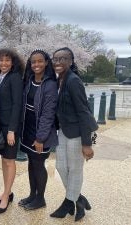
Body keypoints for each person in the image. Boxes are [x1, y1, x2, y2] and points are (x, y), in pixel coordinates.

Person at [50, 47, 98, 222]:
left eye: (63, 59)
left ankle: (68, 203)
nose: (58, 62)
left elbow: (84, 112)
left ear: (70, 61)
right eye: (55, 58)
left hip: (77, 133)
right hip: (63, 130)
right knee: (61, 167)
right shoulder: (59, 80)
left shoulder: (73, 81)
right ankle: (78, 199)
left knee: (75, 169)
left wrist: (87, 143)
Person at [19, 49, 58, 210]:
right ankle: (32, 195)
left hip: (40, 132)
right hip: (27, 129)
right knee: (31, 163)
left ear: (46, 62)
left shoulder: (50, 84)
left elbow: (48, 114)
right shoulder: (29, 80)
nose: (36, 64)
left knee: (39, 163)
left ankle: (40, 198)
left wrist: (40, 138)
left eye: (40, 61)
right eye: (33, 61)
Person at [0, 48, 24, 214]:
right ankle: (7, 192)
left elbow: (18, 105)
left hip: (10, 127)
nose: (4, 63)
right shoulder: (1, 77)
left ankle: (6, 197)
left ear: (13, 62)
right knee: (4, 159)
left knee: (10, 160)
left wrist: (12, 130)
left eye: (7, 60)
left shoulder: (15, 78)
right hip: (1, 125)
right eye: (1, 60)